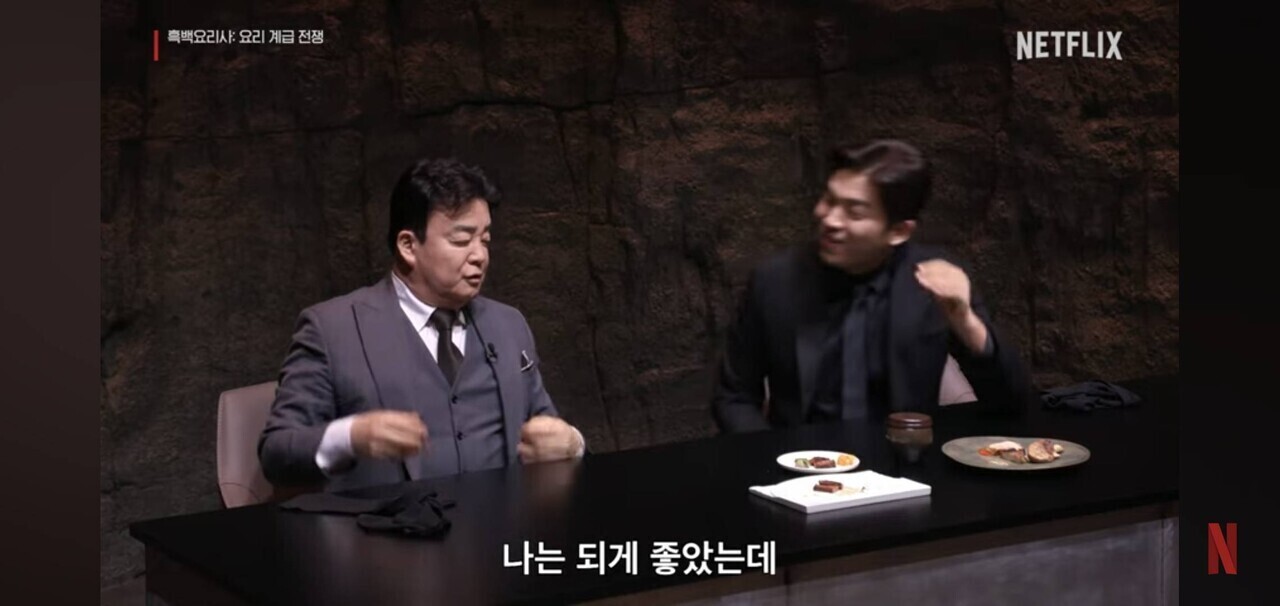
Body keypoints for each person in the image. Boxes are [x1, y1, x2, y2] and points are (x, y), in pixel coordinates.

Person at [259, 158, 585, 491]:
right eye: (462, 241)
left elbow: (549, 429)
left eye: (485, 240)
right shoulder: (332, 329)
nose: (480, 256)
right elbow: (277, 452)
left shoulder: (508, 325)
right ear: (408, 246)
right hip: (385, 523)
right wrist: (350, 436)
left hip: (506, 519)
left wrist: (572, 443)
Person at [712, 140, 1032, 432]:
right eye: (829, 200)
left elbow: (1010, 404)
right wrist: (775, 462)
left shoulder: (934, 281)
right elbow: (734, 398)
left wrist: (965, 321)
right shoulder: (775, 280)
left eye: (854, 212)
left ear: (898, 231)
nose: (830, 220)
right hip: (798, 462)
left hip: (905, 461)